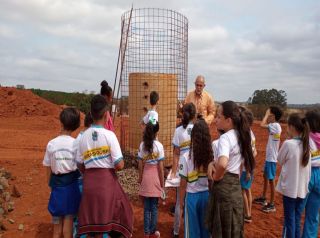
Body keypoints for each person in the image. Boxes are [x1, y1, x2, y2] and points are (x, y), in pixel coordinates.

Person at [76, 95, 133, 238]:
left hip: (88, 183)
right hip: (106, 184)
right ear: (107, 115)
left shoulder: (82, 137)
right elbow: (119, 164)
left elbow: (79, 163)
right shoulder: (110, 135)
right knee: (111, 219)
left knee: (91, 221)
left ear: (91, 113)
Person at [207, 101, 255, 238]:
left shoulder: (225, 138)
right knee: (234, 227)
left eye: (219, 117)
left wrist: (216, 178)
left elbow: (222, 164)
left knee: (221, 229)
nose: (216, 119)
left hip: (223, 189)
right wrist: (213, 163)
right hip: (235, 187)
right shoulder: (241, 134)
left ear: (228, 120)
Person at [42, 107, 81, 238]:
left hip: (56, 189)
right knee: (68, 223)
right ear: (75, 126)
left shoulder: (51, 144)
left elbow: (47, 166)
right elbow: (80, 167)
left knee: (56, 225)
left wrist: (51, 185)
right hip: (71, 189)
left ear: (61, 123)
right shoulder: (76, 144)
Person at [276, 113, 311, 238]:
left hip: (290, 190)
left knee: (289, 220)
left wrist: (287, 139)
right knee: (296, 220)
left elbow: (279, 160)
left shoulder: (288, 144)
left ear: (291, 127)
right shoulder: (307, 144)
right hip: (302, 190)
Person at [179, 118, 212, 238]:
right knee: (206, 232)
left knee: (193, 233)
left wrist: (181, 203)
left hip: (192, 198)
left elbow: (183, 184)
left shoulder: (185, 156)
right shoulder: (211, 155)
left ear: (193, 136)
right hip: (206, 196)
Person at [170, 103, 196, 237]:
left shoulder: (178, 130)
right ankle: (189, 230)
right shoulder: (198, 129)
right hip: (195, 170)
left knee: (179, 201)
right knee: (190, 200)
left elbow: (176, 153)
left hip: (182, 168)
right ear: (194, 115)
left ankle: (175, 231)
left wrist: (174, 172)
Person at [138, 118, 165, 238]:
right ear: (156, 132)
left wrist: (140, 178)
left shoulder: (142, 145)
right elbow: (160, 168)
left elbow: (140, 164)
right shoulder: (159, 146)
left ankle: (146, 233)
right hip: (155, 179)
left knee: (146, 208)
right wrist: (162, 183)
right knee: (154, 207)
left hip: (146, 177)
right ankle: (153, 231)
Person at [253, 106, 283, 213]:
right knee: (266, 176)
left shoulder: (275, 125)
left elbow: (261, 125)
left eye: (270, 115)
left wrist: (266, 114)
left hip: (272, 159)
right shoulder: (275, 126)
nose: (268, 117)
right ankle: (264, 198)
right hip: (270, 157)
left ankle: (272, 204)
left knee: (271, 180)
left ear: (273, 116)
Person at [72, 112, 93, 238]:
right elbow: (81, 163)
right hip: (82, 180)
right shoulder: (84, 139)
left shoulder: (78, 138)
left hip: (77, 179)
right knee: (83, 211)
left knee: (79, 211)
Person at [302, 110, 320, 238]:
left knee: (295, 211)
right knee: (313, 215)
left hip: (307, 174)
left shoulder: (306, 138)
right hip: (319, 175)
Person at [240, 110, 257, 223]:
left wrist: (248, 170)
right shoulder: (252, 133)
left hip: (246, 168)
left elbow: (249, 153)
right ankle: (248, 212)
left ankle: (247, 214)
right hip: (250, 167)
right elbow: (254, 152)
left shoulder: (246, 135)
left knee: (243, 190)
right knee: (248, 190)